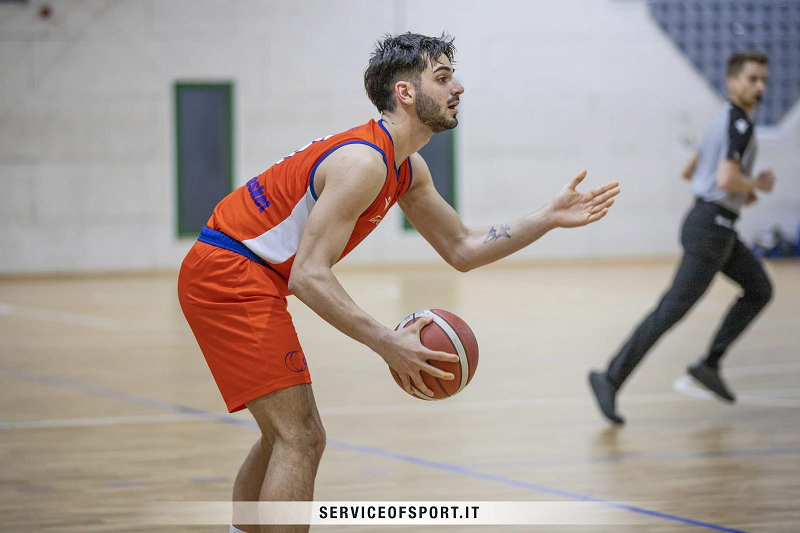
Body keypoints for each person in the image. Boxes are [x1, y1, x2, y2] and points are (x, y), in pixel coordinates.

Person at [177, 32, 620, 533]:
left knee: (284, 434)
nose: (458, 87)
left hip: (241, 271)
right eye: (443, 77)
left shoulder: (404, 166)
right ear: (405, 93)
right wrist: (388, 342)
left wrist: (548, 217)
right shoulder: (364, 162)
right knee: (300, 438)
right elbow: (309, 274)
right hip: (230, 274)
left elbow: (463, 247)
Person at [588, 52, 775, 425]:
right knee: (670, 311)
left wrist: (737, 191)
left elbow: (692, 170)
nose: (760, 87)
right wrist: (755, 183)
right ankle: (610, 378)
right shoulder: (739, 124)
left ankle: (710, 364)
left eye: (763, 80)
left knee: (759, 289)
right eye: (752, 79)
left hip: (714, 225)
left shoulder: (722, 119)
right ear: (732, 82)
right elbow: (725, 179)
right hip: (711, 229)